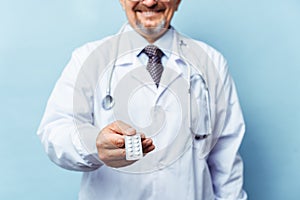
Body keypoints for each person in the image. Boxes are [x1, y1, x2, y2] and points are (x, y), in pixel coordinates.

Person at [37, 0, 247, 199]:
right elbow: (55, 131)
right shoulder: (87, 59)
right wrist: (94, 145)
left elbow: (226, 158)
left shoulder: (211, 62)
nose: (149, 2)